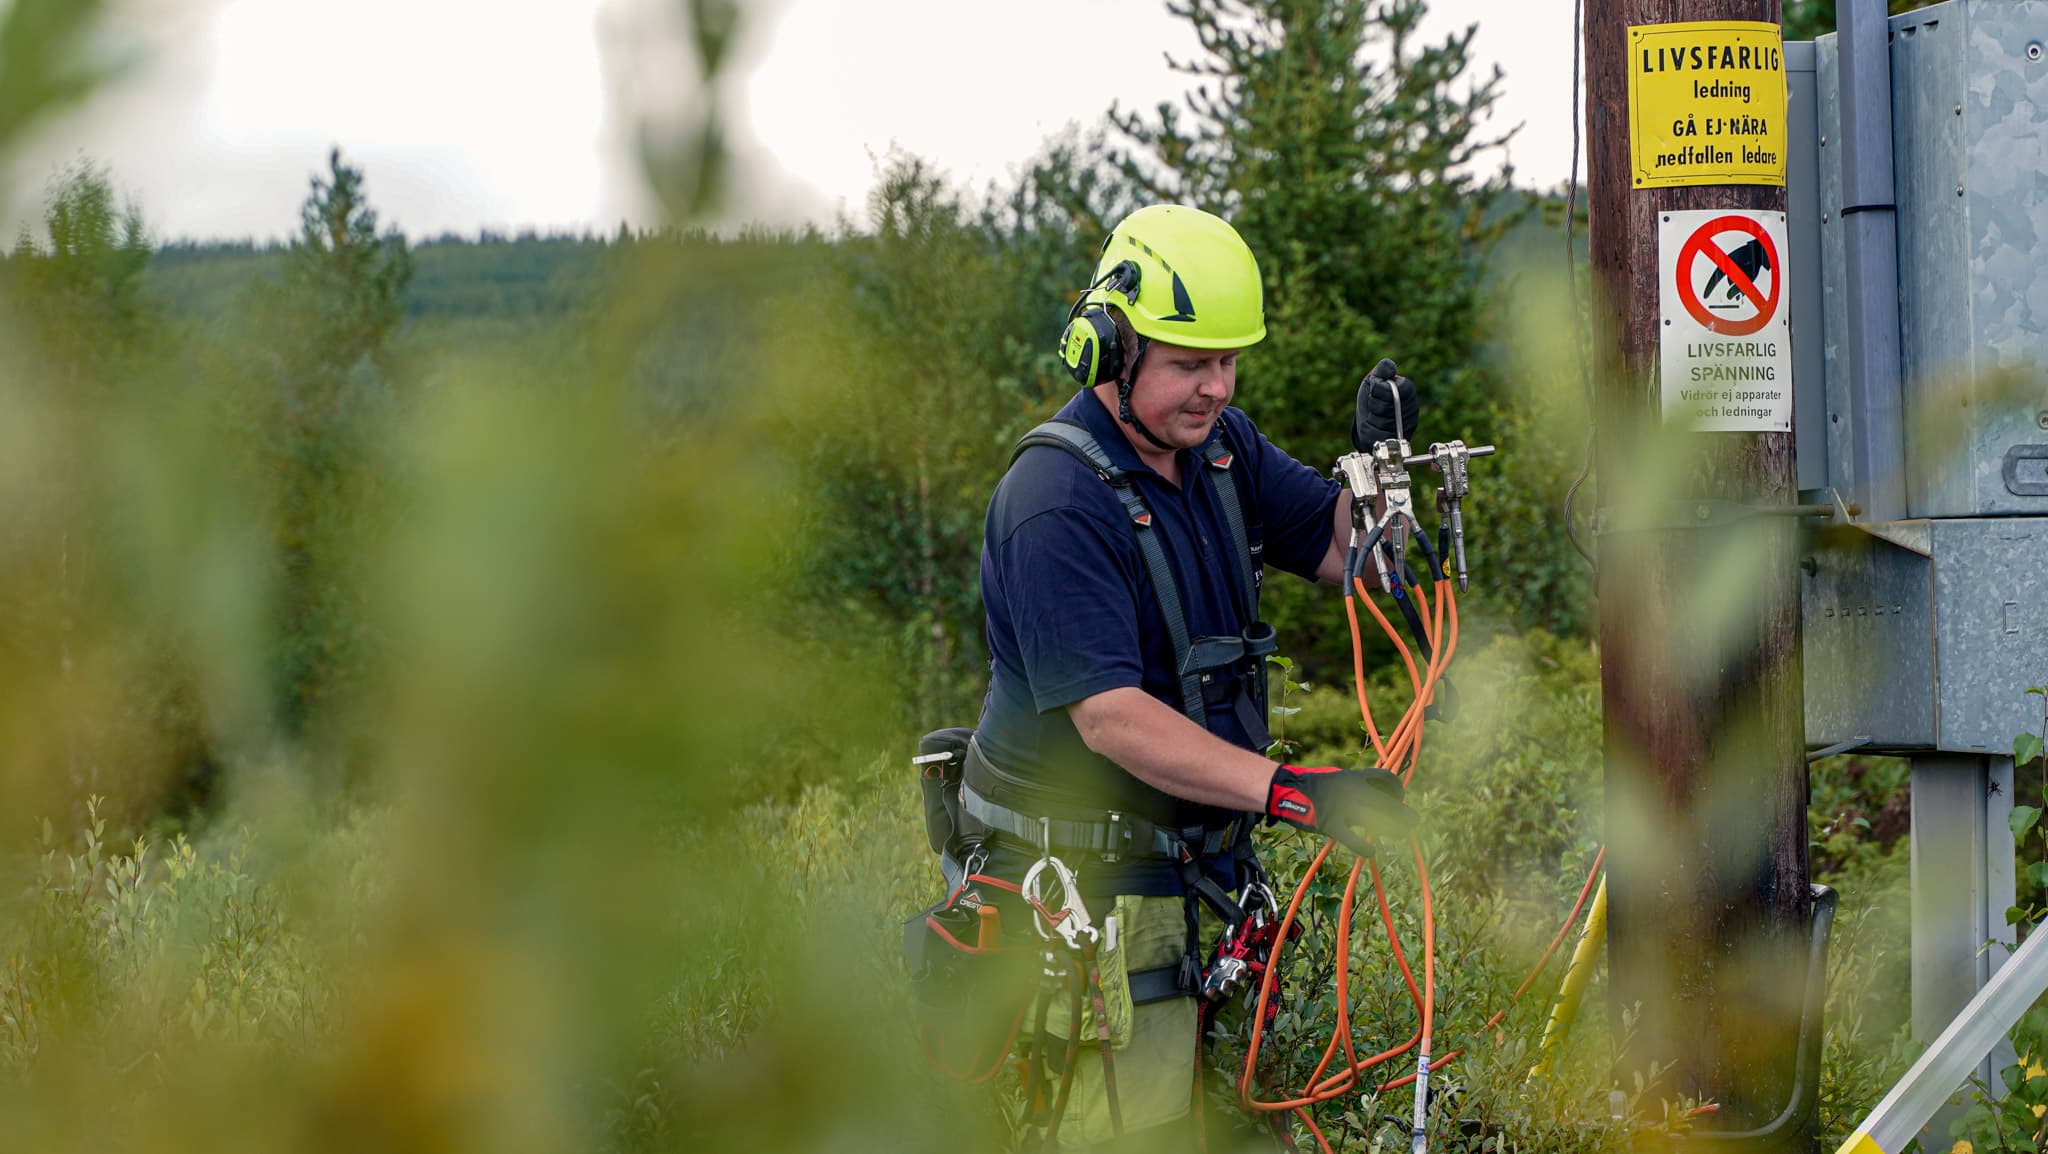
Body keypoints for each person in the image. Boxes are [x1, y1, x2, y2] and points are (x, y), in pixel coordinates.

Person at [957, 203, 1419, 1150]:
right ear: (1110, 351)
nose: (1215, 387)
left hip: (1195, 877)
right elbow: (1112, 719)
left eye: (1227, 362)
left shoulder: (1221, 450)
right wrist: (1289, 792)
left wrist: (1389, 482)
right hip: (1084, 893)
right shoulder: (1054, 502)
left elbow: (1351, 554)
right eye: (1187, 364)